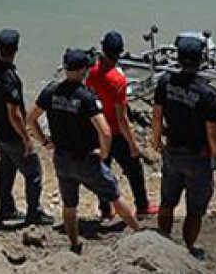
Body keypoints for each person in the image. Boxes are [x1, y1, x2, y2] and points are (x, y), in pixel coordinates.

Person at [28, 49, 140, 255]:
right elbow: (105, 131)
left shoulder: (51, 91)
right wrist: (104, 153)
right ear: (82, 71)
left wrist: (44, 142)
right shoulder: (86, 96)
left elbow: (31, 118)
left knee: (69, 205)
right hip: (86, 159)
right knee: (114, 194)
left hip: (62, 158)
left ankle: (74, 243)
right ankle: (140, 233)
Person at [151, 35, 216, 260]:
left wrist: (156, 140)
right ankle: (188, 251)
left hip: (172, 153)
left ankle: (164, 243)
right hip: (198, 159)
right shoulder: (208, 94)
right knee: (194, 211)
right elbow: (213, 136)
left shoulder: (166, 82)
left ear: (178, 58)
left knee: (167, 202)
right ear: (201, 60)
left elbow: (157, 117)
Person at [0, 29, 53, 224]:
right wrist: (26, 138)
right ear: (16, 50)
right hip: (12, 133)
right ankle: (34, 213)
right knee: (34, 172)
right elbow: (14, 114)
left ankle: (6, 208)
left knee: (6, 168)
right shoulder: (10, 79)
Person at [86, 31, 156, 219]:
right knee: (134, 171)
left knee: (102, 171)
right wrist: (133, 144)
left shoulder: (92, 72)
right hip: (116, 133)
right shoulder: (118, 80)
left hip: (98, 130)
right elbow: (122, 118)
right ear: (119, 53)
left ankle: (105, 209)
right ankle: (142, 205)